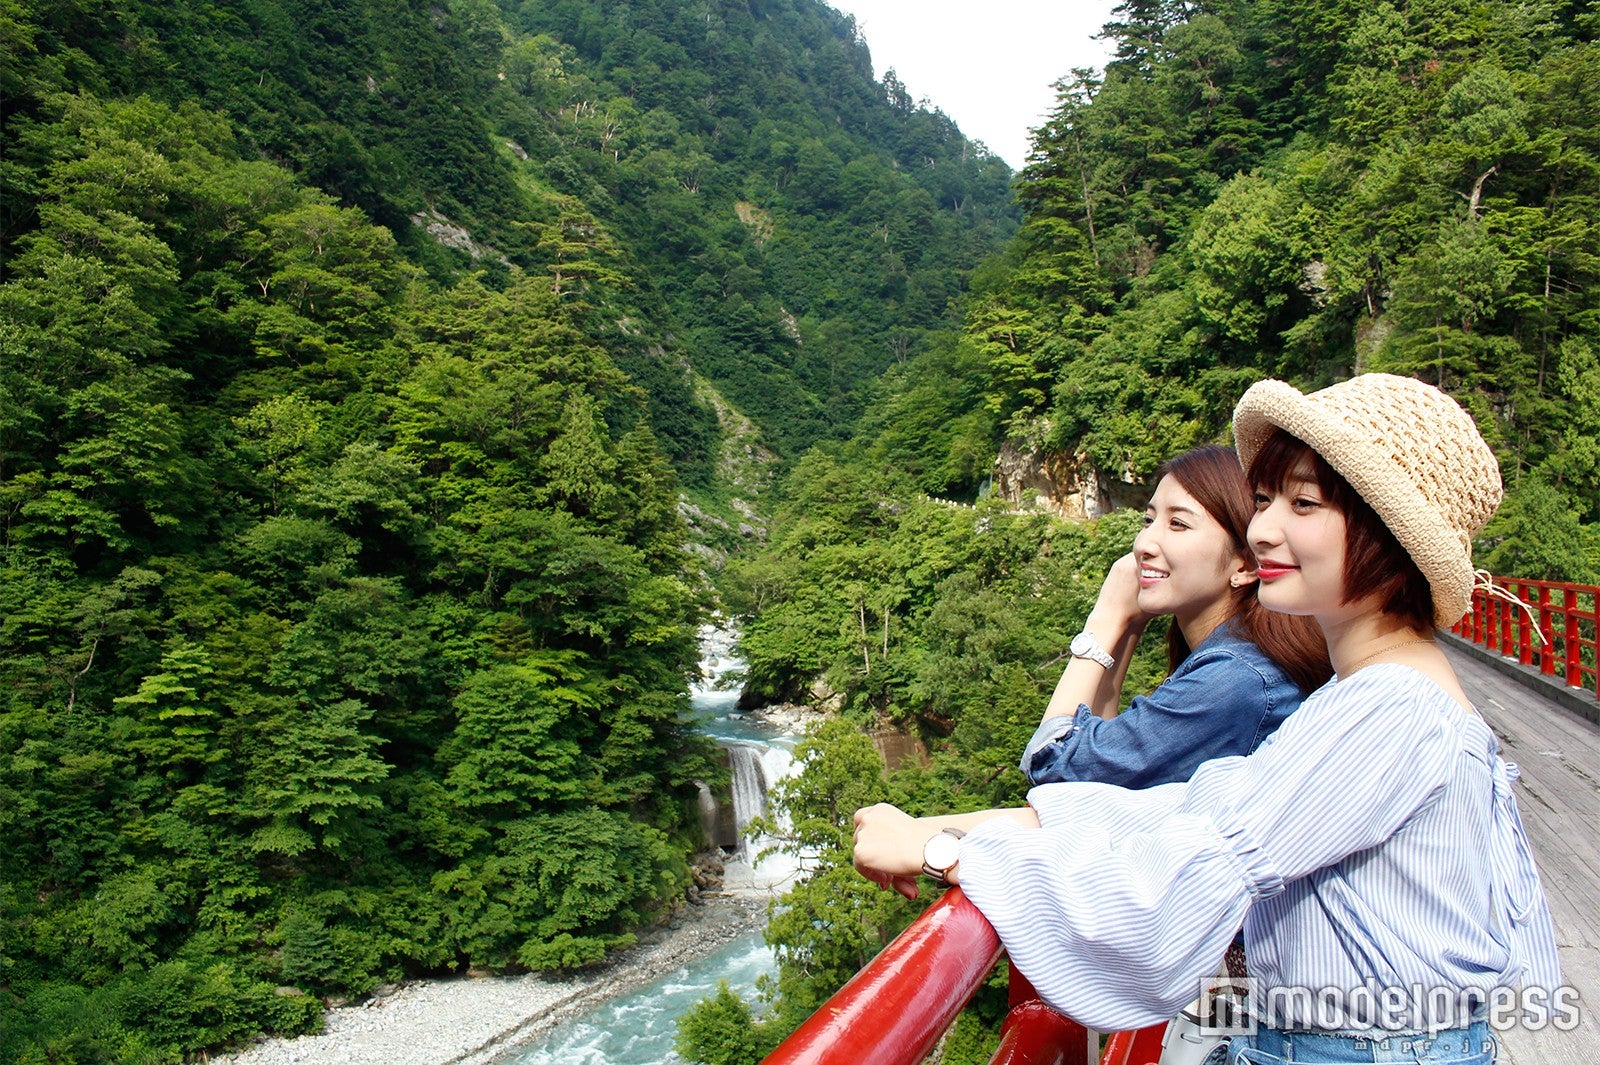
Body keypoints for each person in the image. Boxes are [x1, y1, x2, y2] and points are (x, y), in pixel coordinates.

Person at [853, 374, 1562, 1064]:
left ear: (1389, 535)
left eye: (1304, 503)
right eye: (1263, 500)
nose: (1265, 529)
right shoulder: (1386, 697)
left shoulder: (1389, 710)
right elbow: (1183, 810)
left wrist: (947, 856)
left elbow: (1177, 880)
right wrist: (943, 830)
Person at [1025, 444, 1330, 791]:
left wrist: (1104, 619)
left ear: (1245, 564)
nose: (1144, 544)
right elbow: (1106, 779)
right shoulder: (1237, 659)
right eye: (1149, 520)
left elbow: (1052, 767)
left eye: (1178, 524)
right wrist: (1128, 627)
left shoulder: (1236, 680)